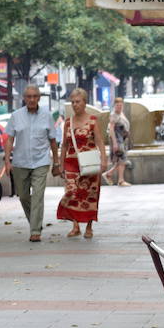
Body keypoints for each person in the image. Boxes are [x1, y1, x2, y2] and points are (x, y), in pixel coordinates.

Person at [3, 85, 59, 242]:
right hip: (21, 162)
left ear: (39, 98)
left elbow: (53, 141)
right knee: (24, 196)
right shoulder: (16, 116)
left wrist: (56, 163)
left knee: (38, 196)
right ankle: (35, 222)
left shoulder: (47, 116)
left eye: (35, 96)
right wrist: (7, 161)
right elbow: (9, 140)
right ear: (24, 98)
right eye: (29, 96)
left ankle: (35, 230)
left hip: (41, 161)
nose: (32, 99)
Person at [56, 88, 106, 239]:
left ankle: (89, 226)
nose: (75, 105)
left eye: (78, 102)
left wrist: (104, 159)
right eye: (72, 102)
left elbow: (99, 142)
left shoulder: (92, 120)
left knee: (90, 193)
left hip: (89, 162)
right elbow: (64, 145)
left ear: (85, 102)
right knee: (71, 192)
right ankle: (75, 225)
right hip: (71, 162)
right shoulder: (67, 123)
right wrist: (61, 164)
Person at [106, 97, 131, 187]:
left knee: (121, 160)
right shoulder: (114, 115)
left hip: (122, 140)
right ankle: (120, 180)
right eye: (117, 105)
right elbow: (111, 129)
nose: (119, 107)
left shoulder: (121, 113)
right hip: (117, 140)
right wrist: (115, 143)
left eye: (121, 105)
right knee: (122, 159)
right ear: (114, 106)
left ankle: (109, 174)